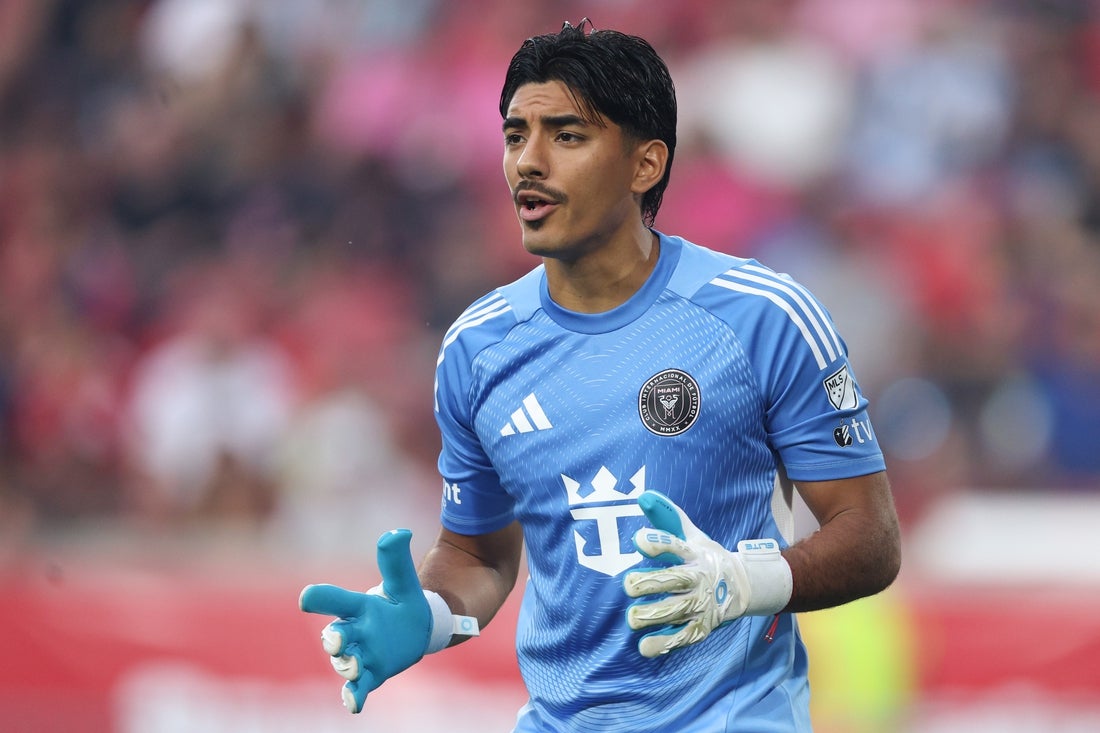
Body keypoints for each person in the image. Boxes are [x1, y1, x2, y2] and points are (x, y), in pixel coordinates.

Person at [300, 19, 902, 732]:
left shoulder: (761, 316)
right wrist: (427, 616)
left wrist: (744, 582)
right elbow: (478, 554)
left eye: (567, 136)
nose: (528, 162)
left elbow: (870, 536)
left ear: (645, 165)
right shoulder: (476, 348)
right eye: (515, 135)